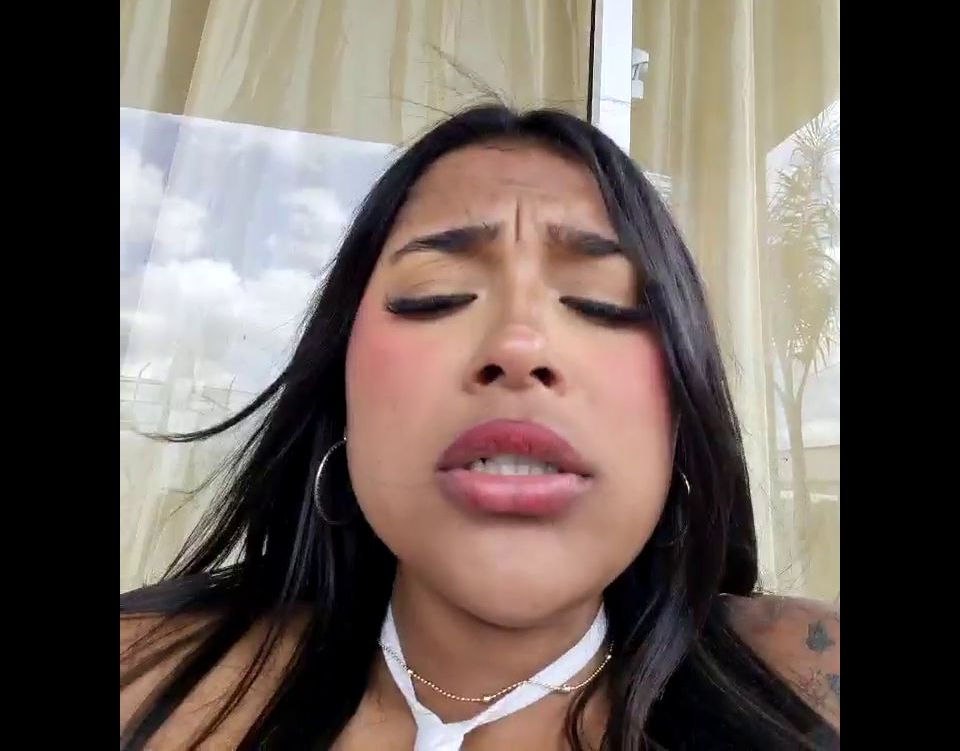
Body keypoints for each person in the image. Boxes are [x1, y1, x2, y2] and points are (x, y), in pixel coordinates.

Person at [120, 104, 840, 750]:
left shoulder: (809, 684)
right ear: (341, 387)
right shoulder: (139, 672)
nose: (519, 345)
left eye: (604, 302)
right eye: (435, 295)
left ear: (681, 412)